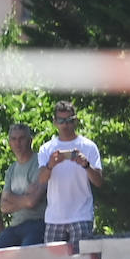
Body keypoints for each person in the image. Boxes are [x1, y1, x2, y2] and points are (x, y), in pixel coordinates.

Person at [36, 100, 103, 249]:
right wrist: (50, 165)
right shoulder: (47, 148)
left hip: (81, 215)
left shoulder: (88, 146)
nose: (65, 125)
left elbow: (99, 182)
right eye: (61, 121)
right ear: (55, 122)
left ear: (76, 121)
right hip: (54, 218)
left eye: (68, 121)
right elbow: (41, 179)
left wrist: (86, 165)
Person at [0, 123, 46, 248]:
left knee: (26, 255)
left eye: (21, 138)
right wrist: (25, 198)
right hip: (15, 226)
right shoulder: (11, 169)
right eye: (13, 139)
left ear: (30, 140)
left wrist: (12, 198)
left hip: (38, 223)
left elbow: (32, 202)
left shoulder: (41, 163)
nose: (17, 143)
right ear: (9, 143)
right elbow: (3, 207)